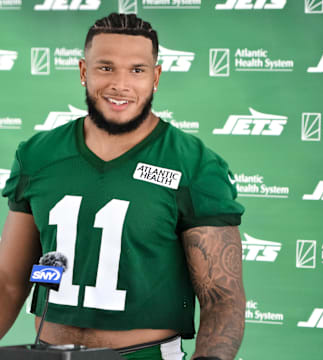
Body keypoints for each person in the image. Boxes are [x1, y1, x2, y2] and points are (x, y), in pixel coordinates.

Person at [0, 13, 245, 360]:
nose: (120, 84)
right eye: (106, 68)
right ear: (84, 72)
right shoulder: (38, 155)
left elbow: (222, 299)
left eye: (137, 70)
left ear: (155, 77)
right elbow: (9, 282)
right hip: (47, 352)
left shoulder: (193, 164)